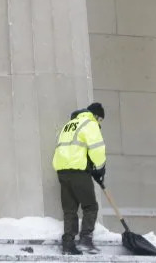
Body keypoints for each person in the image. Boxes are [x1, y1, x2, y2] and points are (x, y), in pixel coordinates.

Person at [52, 102, 107, 255]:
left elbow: (70, 148)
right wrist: (100, 168)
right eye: (100, 119)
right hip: (79, 172)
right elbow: (97, 148)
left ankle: (68, 244)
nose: (99, 123)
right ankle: (86, 240)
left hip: (63, 171)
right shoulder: (90, 124)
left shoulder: (69, 125)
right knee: (90, 206)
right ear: (95, 115)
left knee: (70, 209)